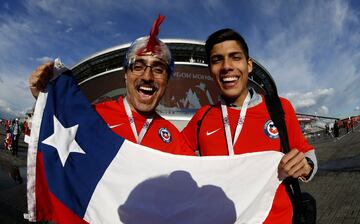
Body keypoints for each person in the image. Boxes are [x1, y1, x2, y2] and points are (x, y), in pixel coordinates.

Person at [182, 28, 317, 223]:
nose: (226, 66)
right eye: (217, 60)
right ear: (211, 70)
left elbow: (306, 152)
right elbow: (171, 159)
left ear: (249, 65)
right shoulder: (202, 117)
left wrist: (306, 166)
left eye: (235, 57)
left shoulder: (279, 107)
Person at [29, 15, 194, 156]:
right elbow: (57, 127)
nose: (147, 76)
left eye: (158, 69)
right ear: (125, 75)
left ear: (167, 80)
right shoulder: (93, 117)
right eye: (138, 66)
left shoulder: (174, 139)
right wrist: (44, 97)